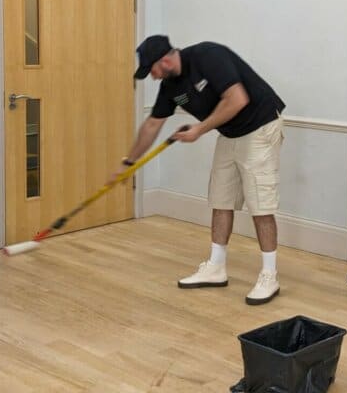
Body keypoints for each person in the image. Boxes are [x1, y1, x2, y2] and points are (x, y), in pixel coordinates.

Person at [117, 35, 286, 305]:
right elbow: (152, 124)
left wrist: (199, 129)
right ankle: (216, 267)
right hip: (230, 133)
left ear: (165, 60)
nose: (153, 77)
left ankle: (269, 275)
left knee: (260, 204)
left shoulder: (208, 56)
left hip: (261, 126)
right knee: (221, 199)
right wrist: (129, 163)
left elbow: (237, 99)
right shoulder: (171, 86)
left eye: (153, 70)